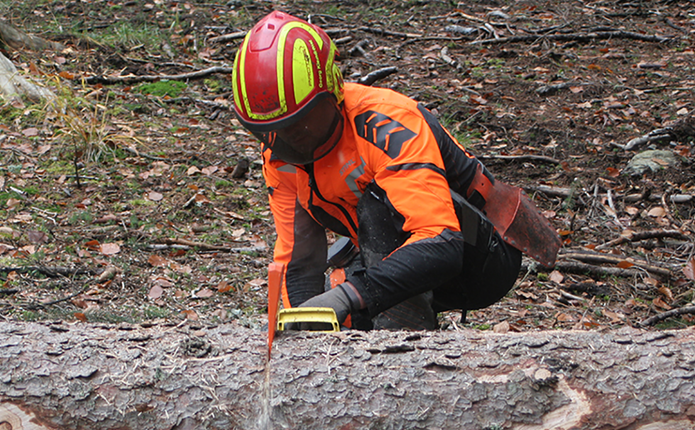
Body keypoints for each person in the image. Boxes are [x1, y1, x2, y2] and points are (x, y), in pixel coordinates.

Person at [231, 11, 559, 330]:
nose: (292, 136)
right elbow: (298, 257)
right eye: (277, 129)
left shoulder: (386, 126)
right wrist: (299, 328)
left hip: (479, 253)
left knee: (376, 208)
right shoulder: (279, 154)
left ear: (332, 92)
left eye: (302, 121)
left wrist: (351, 295)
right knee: (341, 299)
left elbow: (441, 241)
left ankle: (402, 340)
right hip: (393, 254)